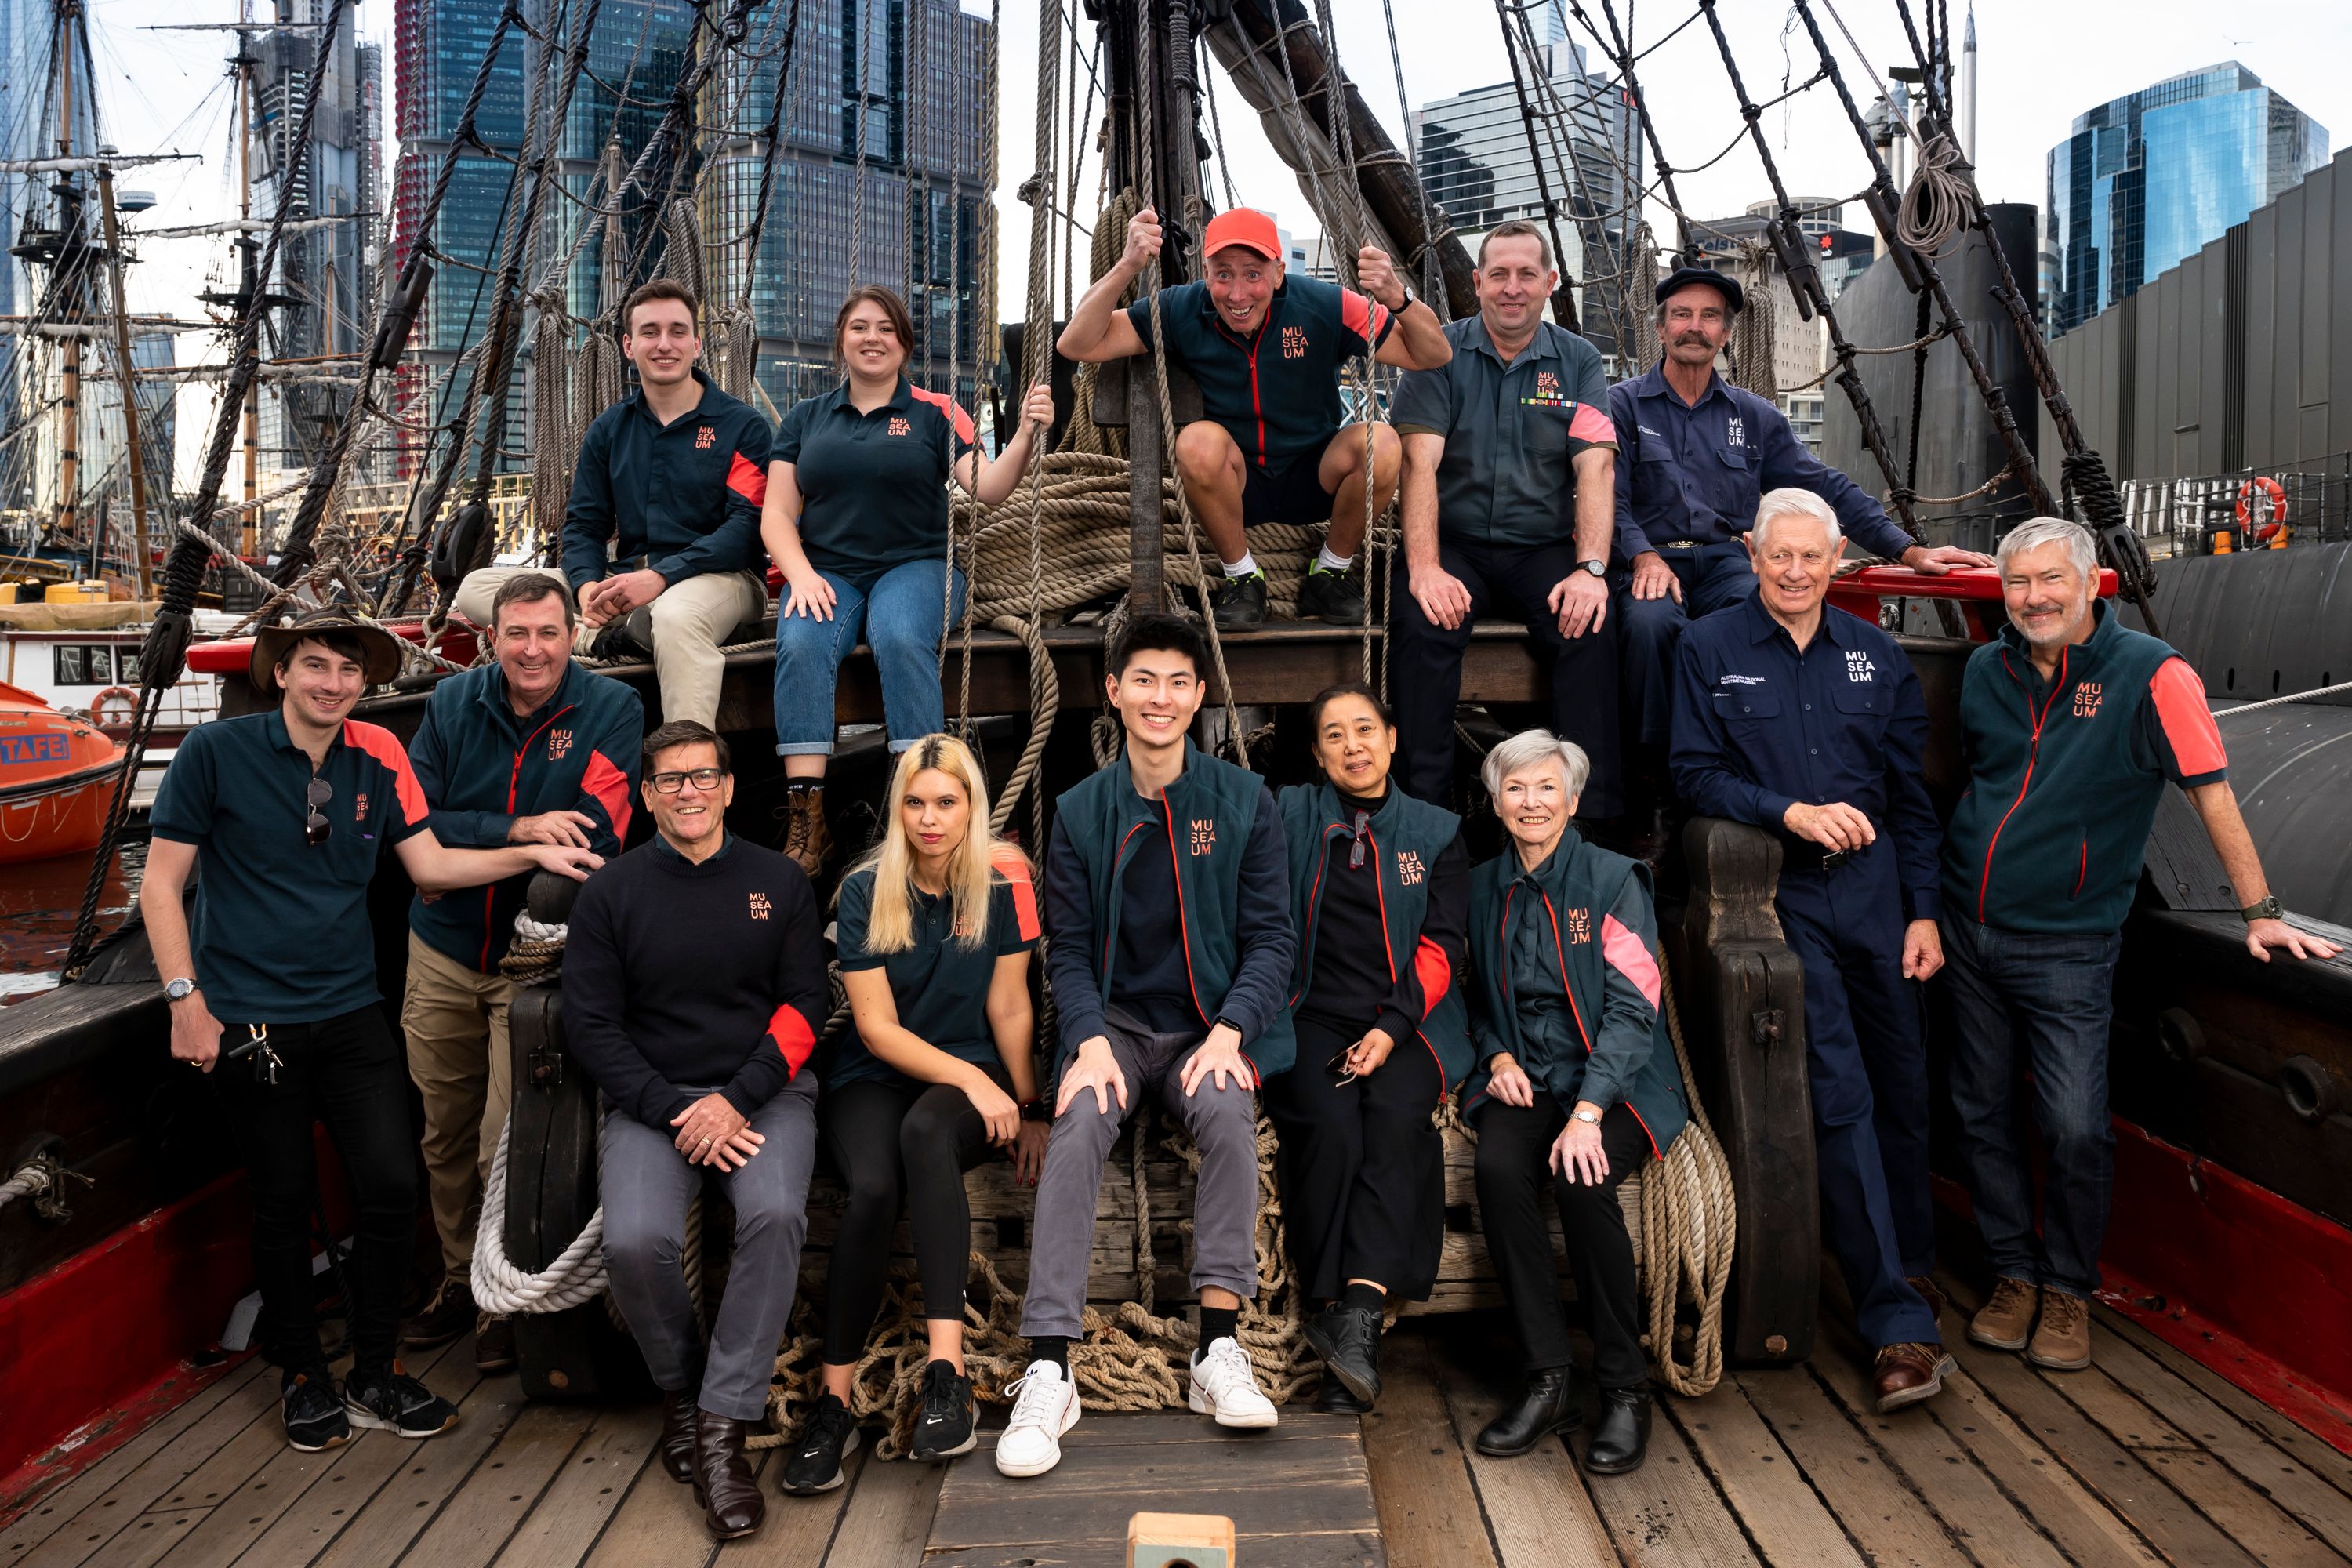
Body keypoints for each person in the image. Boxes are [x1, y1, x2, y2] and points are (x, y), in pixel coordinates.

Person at [140, 607, 603, 1454]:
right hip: (250, 1016)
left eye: (348, 672)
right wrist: (184, 997)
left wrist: (531, 852)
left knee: (391, 1186)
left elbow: (430, 864)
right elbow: (162, 884)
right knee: (283, 1200)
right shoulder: (215, 753)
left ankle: (374, 1369)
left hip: (351, 1009)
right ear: (279, 672)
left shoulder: (379, 753)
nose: (332, 683)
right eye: (314, 665)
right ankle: (303, 1374)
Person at [1940, 518, 2339, 1373]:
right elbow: (1982, 781)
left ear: (2090, 584)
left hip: (2070, 945)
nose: (2034, 597)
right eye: (2017, 583)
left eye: (2051, 579)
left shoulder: (2151, 674)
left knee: (2076, 1125)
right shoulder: (1985, 669)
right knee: (1980, 1111)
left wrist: (2260, 907)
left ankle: (2069, 1287)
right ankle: (2013, 1271)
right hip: (1969, 933)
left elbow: (2212, 793)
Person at [1668, 489, 1951, 1412]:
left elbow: (1909, 797)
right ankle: (1894, 1325)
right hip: (1781, 894)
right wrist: (1783, 811)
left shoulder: (1876, 654)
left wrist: (1923, 913)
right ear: (1751, 555)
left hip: (1878, 900)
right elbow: (1691, 772)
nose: (1794, 572)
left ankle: (1911, 1266)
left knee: (1904, 1085)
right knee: (1839, 1091)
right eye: (1778, 556)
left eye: (1811, 558)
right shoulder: (1707, 647)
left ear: (1838, 562)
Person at [997, 613, 1296, 1478]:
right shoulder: (1082, 809)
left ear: (1199, 695)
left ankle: (1216, 1348)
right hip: (1118, 1027)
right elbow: (1067, 945)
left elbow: (1272, 937)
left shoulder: (1243, 801)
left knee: (1231, 1117)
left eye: (1178, 682)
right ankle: (1051, 1364)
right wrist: (1086, 1038)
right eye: (1144, 680)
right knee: (1080, 1121)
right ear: (1115, 692)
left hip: (1211, 1025)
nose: (1160, 698)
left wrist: (1234, 1029)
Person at [559, 720, 829, 1541]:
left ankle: (720, 1428)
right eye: (670, 779)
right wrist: (678, 1108)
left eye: (702, 776)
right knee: (635, 1240)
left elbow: (805, 1005)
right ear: (645, 795)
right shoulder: (610, 893)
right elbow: (592, 1025)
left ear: (729, 787)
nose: (688, 791)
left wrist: (737, 1099)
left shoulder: (780, 880)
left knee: (776, 1215)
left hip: (764, 1092)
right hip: (656, 1098)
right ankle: (680, 1384)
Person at [780, 735, 1050, 1493]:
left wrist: (1027, 1105)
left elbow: (1008, 1003)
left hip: (965, 1078)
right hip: (877, 1071)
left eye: (947, 801)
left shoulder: (1007, 879)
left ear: (973, 806)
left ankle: (945, 1373)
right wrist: (979, 1081)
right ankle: (830, 1406)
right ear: (898, 807)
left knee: (927, 1133)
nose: (930, 819)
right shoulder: (869, 886)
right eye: (915, 802)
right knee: (871, 1187)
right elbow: (877, 1030)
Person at [397, 573, 644, 1376]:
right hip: (441, 948)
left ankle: (500, 1298)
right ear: (489, 636)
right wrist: (521, 831)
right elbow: (417, 827)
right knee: (442, 1131)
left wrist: (469, 855)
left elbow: (596, 837)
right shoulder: (450, 704)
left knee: (504, 1134)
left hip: (532, 962)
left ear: (572, 632)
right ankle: (461, 1279)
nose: (532, 649)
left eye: (548, 632)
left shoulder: (611, 712)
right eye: (516, 633)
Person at [1610, 267, 1991, 775]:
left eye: (1710, 317)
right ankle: (1657, 779)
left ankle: (1759, 764)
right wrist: (1642, 556)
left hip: (1726, 560)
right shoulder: (1620, 405)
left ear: (1725, 333)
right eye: (1681, 315)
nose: (1694, 327)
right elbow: (1605, 500)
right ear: (1661, 329)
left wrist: (1909, 550)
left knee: (1768, 614)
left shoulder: (1756, 417)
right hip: (1651, 558)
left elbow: (1825, 488)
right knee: (1650, 623)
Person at [762, 285, 1055, 877]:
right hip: (828, 573)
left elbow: (991, 489)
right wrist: (800, 575)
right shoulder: (805, 419)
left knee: (896, 631)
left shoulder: (937, 411)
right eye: (859, 328)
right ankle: (808, 817)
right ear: (840, 341)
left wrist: (1023, 435)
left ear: (905, 345)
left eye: (886, 330)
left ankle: (923, 803)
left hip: (918, 567)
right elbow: (776, 515)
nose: (873, 339)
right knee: (799, 637)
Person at [1057, 205, 1453, 630]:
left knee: (1382, 442)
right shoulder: (1179, 309)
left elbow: (1431, 354)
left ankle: (1330, 572)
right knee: (1195, 442)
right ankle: (1243, 577)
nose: (1238, 294)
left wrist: (1399, 298)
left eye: (1253, 273)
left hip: (1313, 475)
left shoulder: (1327, 305)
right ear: (1205, 273)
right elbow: (1078, 344)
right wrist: (1127, 265)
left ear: (1279, 272)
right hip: (1237, 482)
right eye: (1223, 274)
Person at [1462, 730, 1687, 1475]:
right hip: (1526, 1073)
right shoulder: (1483, 884)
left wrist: (1590, 1112)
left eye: (1547, 788)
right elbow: (1477, 994)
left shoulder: (1614, 879)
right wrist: (1495, 1055)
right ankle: (1549, 1378)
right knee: (1496, 1167)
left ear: (1574, 799)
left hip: (1615, 1080)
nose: (1532, 802)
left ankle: (1624, 1389)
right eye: (1516, 789)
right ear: (1496, 803)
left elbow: (1634, 1009)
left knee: (1581, 1178)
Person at [1262, 684, 1471, 1414]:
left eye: (1364, 730)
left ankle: (1355, 1314)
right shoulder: (1287, 813)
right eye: (1333, 736)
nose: (1353, 747)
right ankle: (1342, 1314)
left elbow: (1443, 945)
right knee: (1325, 1123)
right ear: (1317, 755)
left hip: (1409, 1017)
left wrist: (1390, 1029)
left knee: (1394, 1117)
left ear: (1390, 738)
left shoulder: (1436, 830)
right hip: (1306, 1012)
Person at [1391, 221, 1624, 815]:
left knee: (1590, 626)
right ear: (1478, 283)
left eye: (1526, 275)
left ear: (1549, 282)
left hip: (1539, 550)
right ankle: (1426, 813)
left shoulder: (1579, 362)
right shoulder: (1435, 353)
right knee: (1423, 626)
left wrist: (1591, 570)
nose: (1512, 288)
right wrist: (1424, 568)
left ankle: (1587, 820)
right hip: (1454, 547)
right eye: (1499, 274)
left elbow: (1595, 470)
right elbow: (1419, 464)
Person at [552, 278, 772, 728]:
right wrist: (587, 589)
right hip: (629, 579)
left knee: (675, 616)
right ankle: (605, 638)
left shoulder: (742, 427)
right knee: (483, 589)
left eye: (677, 332)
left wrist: (660, 578)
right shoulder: (610, 429)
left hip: (724, 578)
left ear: (696, 343)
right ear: (629, 346)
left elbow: (746, 528)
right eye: (650, 332)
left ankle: (687, 763)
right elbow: (583, 526)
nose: (664, 344)